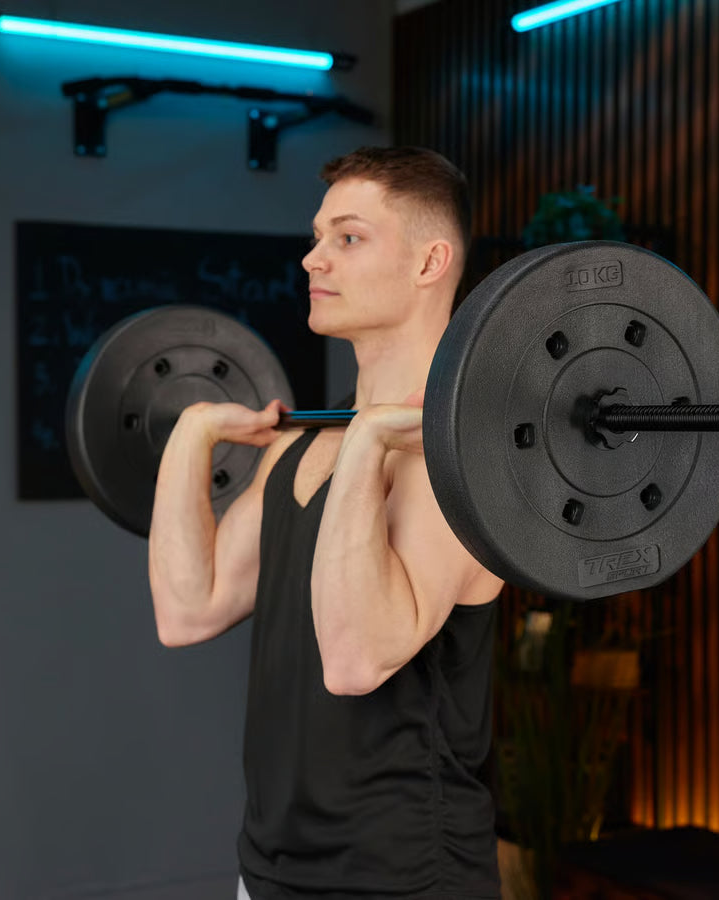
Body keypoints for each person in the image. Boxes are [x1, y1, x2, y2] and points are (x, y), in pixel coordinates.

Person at [148, 146, 504, 899]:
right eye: (317, 238)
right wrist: (192, 438)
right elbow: (188, 608)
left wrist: (374, 440)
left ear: (430, 260)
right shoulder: (308, 442)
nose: (313, 259)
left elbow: (354, 660)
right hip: (271, 865)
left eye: (348, 238)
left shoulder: (460, 458)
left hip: (403, 876)